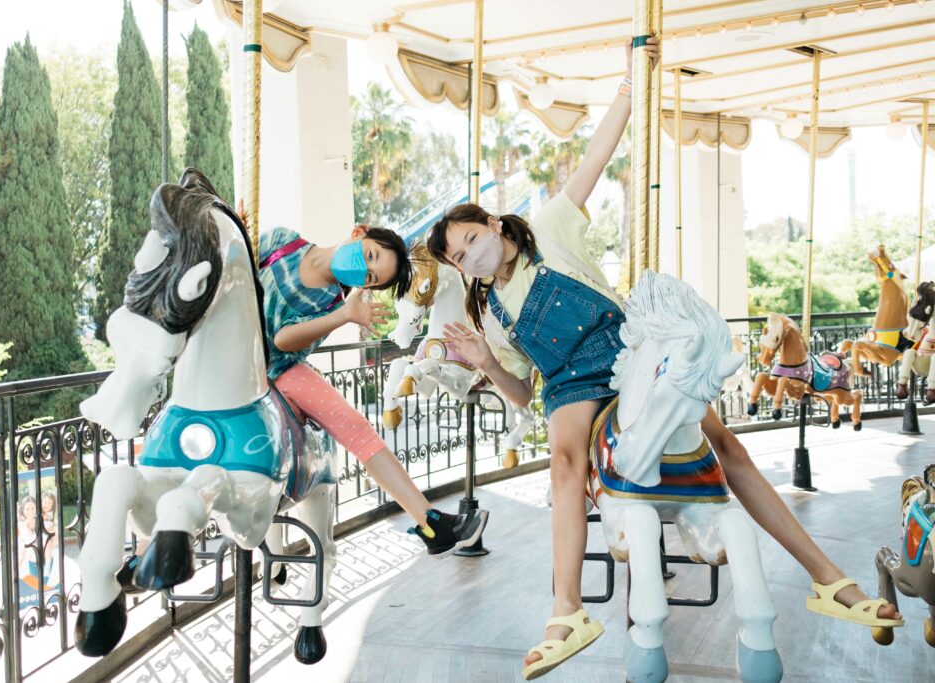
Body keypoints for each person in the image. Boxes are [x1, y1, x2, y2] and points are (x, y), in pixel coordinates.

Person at [428, 35, 901, 680]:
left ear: (495, 226)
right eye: (459, 258)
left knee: (726, 445)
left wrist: (631, 84)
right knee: (564, 463)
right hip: (569, 386)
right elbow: (521, 393)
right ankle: (567, 609)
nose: (470, 257)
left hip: (628, 352)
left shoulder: (553, 227)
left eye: (470, 240)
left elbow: (598, 154)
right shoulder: (492, 311)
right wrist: (487, 360)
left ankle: (826, 575)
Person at [254, 221, 488, 556]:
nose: (364, 270)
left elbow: (283, 341)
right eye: (370, 255)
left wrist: (345, 316)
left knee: (356, 427)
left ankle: (429, 521)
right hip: (229, 352)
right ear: (359, 234)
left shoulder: (333, 303)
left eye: (371, 278)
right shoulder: (282, 242)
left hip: (276, 368)